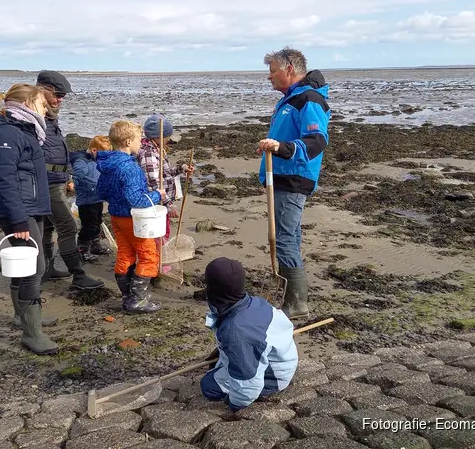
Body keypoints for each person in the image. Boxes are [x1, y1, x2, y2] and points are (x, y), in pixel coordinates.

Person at [0, 83, 59, 355]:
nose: (45, 109)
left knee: (24, 267)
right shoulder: (6, 134)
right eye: (41, 105)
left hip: (29, 207)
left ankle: (22, 317)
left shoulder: (25, 131)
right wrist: (18, 221)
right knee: (34, 269)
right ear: (26, 105)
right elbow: (4, 179)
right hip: (19, 210)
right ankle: (32, 333)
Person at [256, 47, 331, 319]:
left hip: (293, 178)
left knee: (284, 238)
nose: (269, 77)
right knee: (290, 237)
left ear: (289, 69)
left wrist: (283, 148)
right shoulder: (290, 99)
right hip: (282, 177)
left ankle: (296, 303)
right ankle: (292, 297)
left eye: (273, 71)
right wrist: (274, 147)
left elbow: (317, 140)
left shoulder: (308, 99)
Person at [199, 257, 298, 411]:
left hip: (273, 375)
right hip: (283, 356)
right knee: (219, 364)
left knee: (208, 385)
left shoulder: (235, 332)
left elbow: (248, 383)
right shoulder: (255, 302)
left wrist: (235, 405)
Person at [35, 70, 104, 290]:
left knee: (46, 226)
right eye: (58, 94)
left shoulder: (48, 115)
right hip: (45, 181)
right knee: (68, 226)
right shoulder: (33, 116)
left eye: (64, 96)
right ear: (42, 89)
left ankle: (47, 269)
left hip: (55, 178)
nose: (61, 100)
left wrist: (66, 174)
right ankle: (78, 275)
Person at [96, 121, 166, 313]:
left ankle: (127, 296)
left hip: (116, 217)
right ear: (128, 142)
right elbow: (136, 199)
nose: (141, 144)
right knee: (148, 256)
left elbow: (100, 191)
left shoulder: (107, 165)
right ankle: (137, 300)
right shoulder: (130, 168)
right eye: (139, 141)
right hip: (134, 219)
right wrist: (157, 195)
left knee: (125, 254)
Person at [137, 113, 194, 272]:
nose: (169, 139)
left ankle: (158, 258)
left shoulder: (158, 149)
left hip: (161, 201)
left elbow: (166, 173)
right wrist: (168, 204)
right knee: (157, 231)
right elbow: (153, 182)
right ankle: (156, 262)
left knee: (164, 230)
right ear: (157, 136)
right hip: (154, 203)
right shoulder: (148, 153)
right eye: (167, 136)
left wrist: (182, 169)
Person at [69, 135, 113, 262]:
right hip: (87, 200)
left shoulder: (97, 160)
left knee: (97, 222)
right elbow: (76, 175)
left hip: (97, 198)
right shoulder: (81, 161)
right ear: (94, 150)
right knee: (89, 226)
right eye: (103, 154)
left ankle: (95, 245)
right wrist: (72, 183)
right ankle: (82, 248)